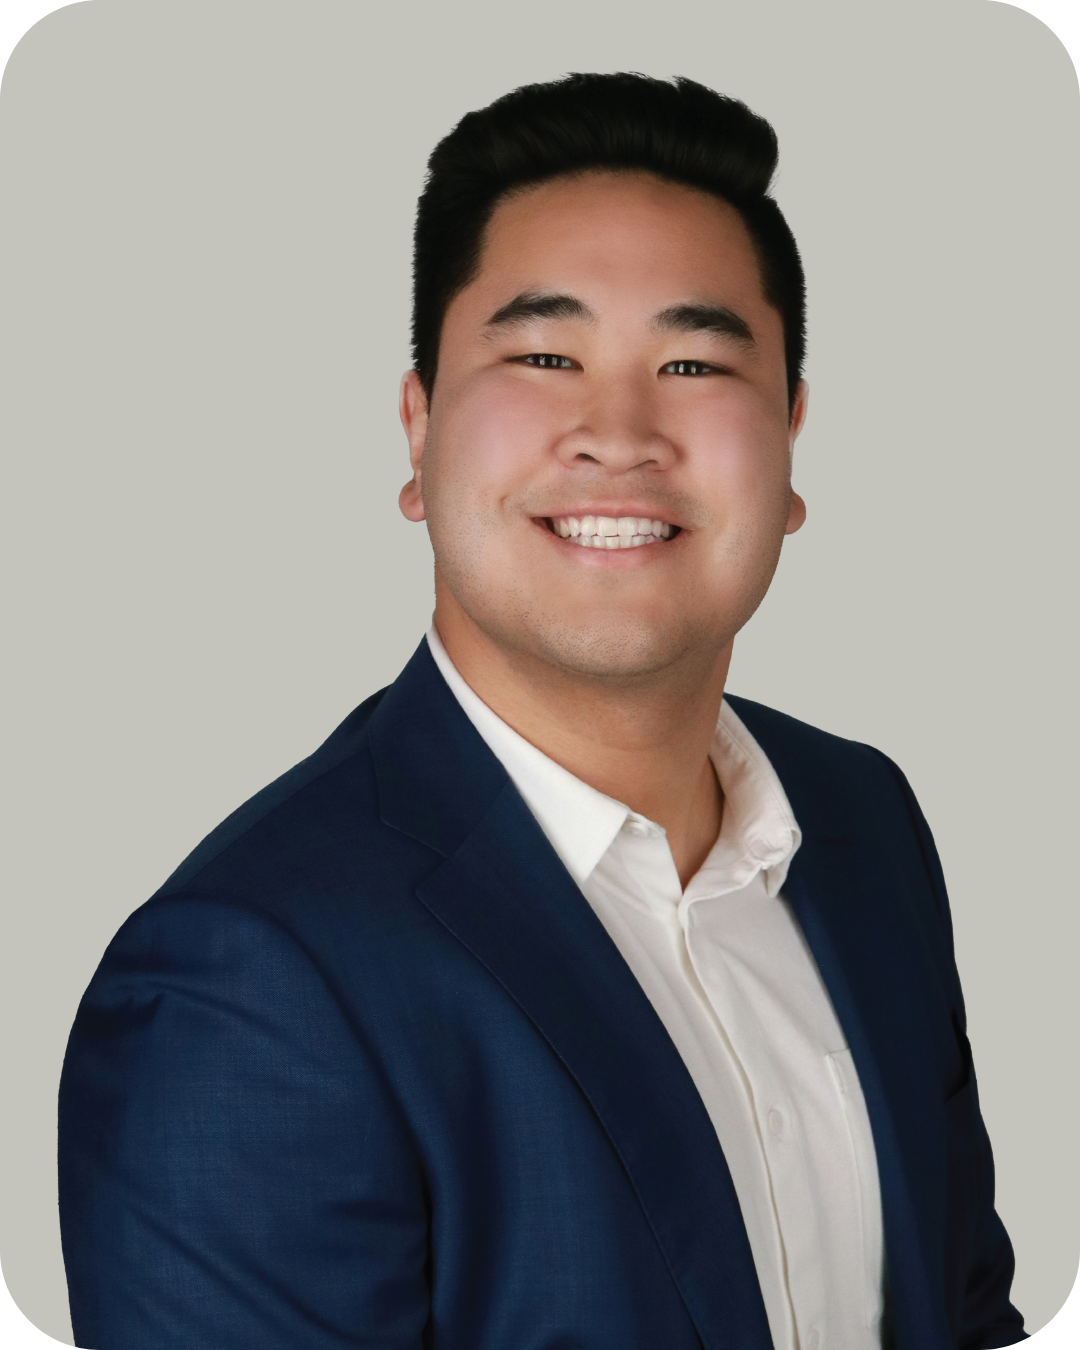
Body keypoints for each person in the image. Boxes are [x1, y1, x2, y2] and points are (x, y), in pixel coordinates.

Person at [57, 73, 1028, 1350]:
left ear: (790, 442)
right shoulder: (245, 986)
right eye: (543, 356)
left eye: (692, 360)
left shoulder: (865, 827)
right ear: (418, 435)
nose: (617, 432)